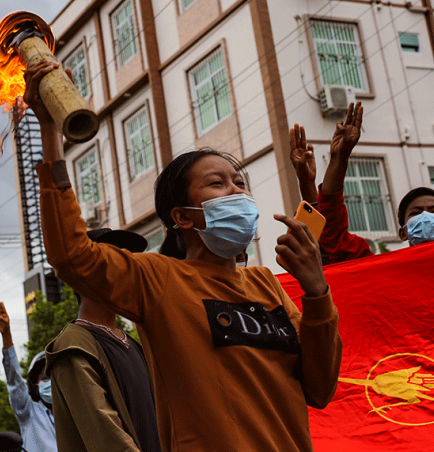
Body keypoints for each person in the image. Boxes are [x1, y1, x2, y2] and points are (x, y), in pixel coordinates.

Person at [24, 59, 341, 452]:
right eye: (217, 183)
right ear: (182, 217)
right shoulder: (158, 280)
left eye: (240, 183)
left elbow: (321, 388)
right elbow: (71, 255)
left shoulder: (266, 285)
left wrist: (317, 294)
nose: (237, 192)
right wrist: (51, 132)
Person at [45, 228, 162, 452]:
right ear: (81, 273)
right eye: (112, 260)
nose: (126, 271)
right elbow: (107, 439)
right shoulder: (73, 348)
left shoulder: (131, 343)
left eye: (127, 261)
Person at [289, 102, 375, 262]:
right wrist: (338, 158)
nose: (425, 218)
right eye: (416, 213)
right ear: (403, 232)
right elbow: (332, 238)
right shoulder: (366, 258)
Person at [0, 301, 57, 452]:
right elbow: (14, 381)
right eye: (44, 378)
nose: (49, 383)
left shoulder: (77, 415)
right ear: (35, 385)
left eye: (54, 378)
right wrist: (7, 336)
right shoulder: (29, 412)